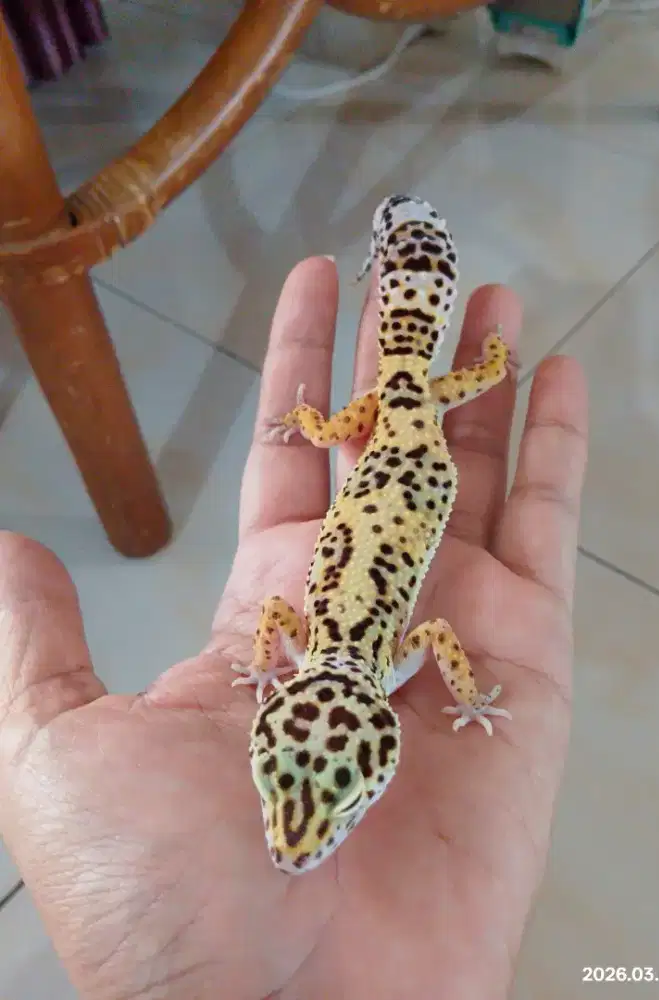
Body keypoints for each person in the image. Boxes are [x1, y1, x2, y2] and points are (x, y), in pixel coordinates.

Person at [0, 258, 588, 1000]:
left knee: (415, 390)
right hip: (403, 442)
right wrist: (270, 660)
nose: (293, 839)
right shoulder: (321, 652)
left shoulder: (380, 664)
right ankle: (416, 266)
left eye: (329, 804)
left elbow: (433, 634)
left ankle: (416, 262)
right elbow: (303, 620)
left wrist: (270, 663)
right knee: (425, 384)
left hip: (407, 442)